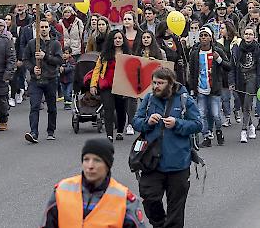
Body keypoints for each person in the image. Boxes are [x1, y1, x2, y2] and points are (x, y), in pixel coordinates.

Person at [132, 67, 203, 228]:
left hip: (178, 163)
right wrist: (147, 122)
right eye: (154, 82)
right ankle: (159, 224)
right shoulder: (149, 98)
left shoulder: (185, 99)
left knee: (176, 209)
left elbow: (198, 124)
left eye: (160, 83)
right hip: (152, 162)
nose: (156, 86)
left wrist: (178, 123)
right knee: (149, 198)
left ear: (170, 84)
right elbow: (136, 121)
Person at [40, 138, 147, 228]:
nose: (90, 166)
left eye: (97, 160)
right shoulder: (62, 190)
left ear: (107, 165)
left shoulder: (124, 200)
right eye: (86, 159)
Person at [188, 26, 231, 146]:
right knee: (202, 114)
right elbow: (192, 73)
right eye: (201, 36)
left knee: (216, 114)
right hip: (200, 89)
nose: (203, 38)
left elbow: (228, 66)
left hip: (214, 89)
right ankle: (206, 137)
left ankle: (218, 132)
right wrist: (192, 88)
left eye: (205, 35)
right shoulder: (195, 54)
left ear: (211, 38)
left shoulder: (217, 51)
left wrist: (219, 60)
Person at [23, 19, 63, 143]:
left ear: (49, 29)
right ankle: (33, 132)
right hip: (36, 80)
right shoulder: (32, 43)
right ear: (38, 29)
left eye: (46, 27)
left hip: (51, 79)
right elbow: (25, 59)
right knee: (34, 106)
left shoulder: (55, 44)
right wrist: (32, 68)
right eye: (42, 27)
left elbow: (59, 60)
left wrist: (45, 56)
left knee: (51, 107)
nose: (44, 29)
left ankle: (51, 131)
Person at [91, 30, 132, 141]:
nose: (117, 40)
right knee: (108, 109)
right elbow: (96, 70)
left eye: (120, 38)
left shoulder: (128, 55)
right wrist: (93, 85)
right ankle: (109, 134)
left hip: (121, 87)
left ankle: (119, 131)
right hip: (107, 85)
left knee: (121, 110)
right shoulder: (104, 55)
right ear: (111, 40)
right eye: (115, 38)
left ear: (123, 40)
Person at [229, 26, 260, 143]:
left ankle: (244, 130)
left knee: (247, 104)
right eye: (246, 34)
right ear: (243, 35)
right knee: (242, 104)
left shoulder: (259, 49)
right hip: (240, 78)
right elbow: (232, 66)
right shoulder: (237, 48)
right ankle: (251, 125)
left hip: (253, 77)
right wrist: (231, 81)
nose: (248, 36)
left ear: (254, 36)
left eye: (250, 34)